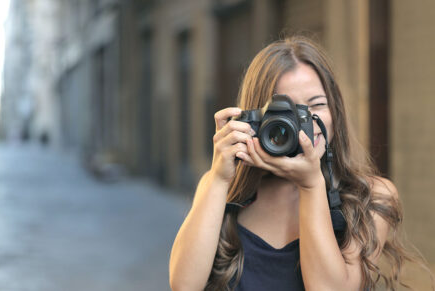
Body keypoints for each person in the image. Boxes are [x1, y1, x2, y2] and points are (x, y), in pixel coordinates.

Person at [169, 36, 432, 291]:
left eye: (316, 105)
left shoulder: (373, 196)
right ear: (256, 121)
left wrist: (311, 185)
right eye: (285, 111)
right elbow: (184, 285)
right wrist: (218, 178)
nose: (300, 124)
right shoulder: (220, 188)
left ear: (335, 113)